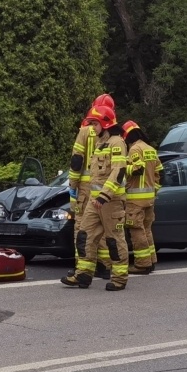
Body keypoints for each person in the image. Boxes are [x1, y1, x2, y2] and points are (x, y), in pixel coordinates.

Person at [63, 113, 128, 292]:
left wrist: (104, 195)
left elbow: (118, 171)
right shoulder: (101, 143)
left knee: (114, 240)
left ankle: (119, 278)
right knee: (85, 236)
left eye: (95, 124)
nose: (92, 127)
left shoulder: (117, 143)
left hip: (110, 201)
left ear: (105, 124)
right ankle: (83, 274)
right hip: (94, 200)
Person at [66, 93, 113, 225]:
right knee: (103, 228)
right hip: (106, 187)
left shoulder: (85, 131)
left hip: (85, 187)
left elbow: (76, 160)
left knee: (83, 226)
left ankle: (82, 247)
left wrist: (73, 185)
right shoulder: (114, 133)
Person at [121, 121, 160, 275]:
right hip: (149, 199)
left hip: (135, 199)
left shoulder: (134, 149)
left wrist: (123, 167)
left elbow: (138, 169)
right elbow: (159, 173)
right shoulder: (150, 149)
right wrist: (154, 191)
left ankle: (142, 264)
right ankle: (151, 261)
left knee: (136, 230)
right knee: (147, 230)